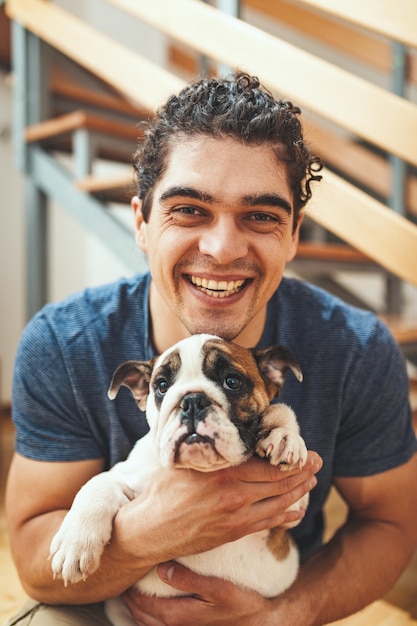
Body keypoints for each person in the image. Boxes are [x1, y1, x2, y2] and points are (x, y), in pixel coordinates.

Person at [5, 72, 417, 626]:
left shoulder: (357, 349)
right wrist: (150, 532)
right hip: (110, 603)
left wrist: (281, 615)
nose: (222, 248)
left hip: (272, 602)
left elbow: (393, 524)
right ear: (142, 223)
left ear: (294, 235)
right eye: (189, 210)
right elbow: (35, 559)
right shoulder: (63, 344)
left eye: (260, 216)